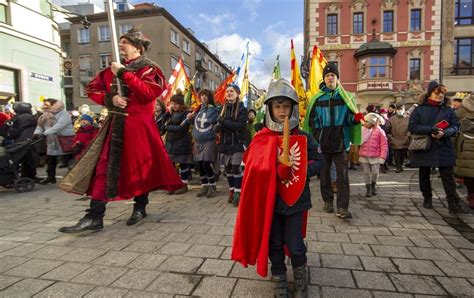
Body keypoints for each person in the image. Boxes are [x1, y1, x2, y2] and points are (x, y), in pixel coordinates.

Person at [58, 27, 183, 233]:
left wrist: (124, 74)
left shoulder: (150, 69)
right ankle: (94, 216)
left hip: (139, 128)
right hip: (114, 126)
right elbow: (93, 88)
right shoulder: (112, 70)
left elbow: (148, 93)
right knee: (103, 168)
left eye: (125, 42)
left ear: (138, 48)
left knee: (140, 170)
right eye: (121, 41)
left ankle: (140, 207)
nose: (121, 45)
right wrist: (111, 99)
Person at [232, 79, 322, 298]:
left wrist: (299, 172)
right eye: (277, 106)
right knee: (274, 243)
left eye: (286, 106)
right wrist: (274, 169)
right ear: (270, 109)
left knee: (295, 244)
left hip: (295, 201)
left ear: (293, 108)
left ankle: (300, 277)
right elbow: (254, 168)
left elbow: (319, 161)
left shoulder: (304, 137)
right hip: (270, 202)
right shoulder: (261, 139)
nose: (282, 111)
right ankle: (279, 277)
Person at [304, 62, 364, 219]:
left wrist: (355, 119)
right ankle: (328, 201)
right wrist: (319, 135)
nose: (330, 78)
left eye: (333, 75)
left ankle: (343, 207)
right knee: (324, 174)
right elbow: (312, 120)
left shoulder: (346, 98)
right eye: (327, 75)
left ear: (337, 78)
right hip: (323, 144)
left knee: (342, 176)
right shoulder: (317, 99)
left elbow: (349, 118)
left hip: (340, 143)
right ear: (324, 79)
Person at [408, 81, 467, 214]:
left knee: (448, 177)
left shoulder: (448, 110)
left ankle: (453, 204)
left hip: (443, 146)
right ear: (430, 93)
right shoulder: (419, 109)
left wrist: (444, 133)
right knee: (424, 174)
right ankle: (427, 198)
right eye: (437, 92)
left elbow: (455, 126)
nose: (440, 95)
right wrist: (431, 129)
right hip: (425, 146)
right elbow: (412, 127)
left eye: (442, 93)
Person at [217, 84, 248, 206]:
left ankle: (238, 192)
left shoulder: (242, 109)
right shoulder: (222, 108)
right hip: (225, 142)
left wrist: (223, 122)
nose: (229, 93)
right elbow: (221, 123)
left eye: (232, 91)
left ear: (237, 93)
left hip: (237, 142)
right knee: (228, 168)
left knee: (235, 167)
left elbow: (239, 126)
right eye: (227, 91)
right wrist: (218, 127)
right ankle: (231, 190)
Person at [33, 98, 75, 184]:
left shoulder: (63, 113)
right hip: (52, 140)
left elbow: (60, 125)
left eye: (47, 105)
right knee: (50, 160)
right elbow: (40, 125)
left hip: (64, 139)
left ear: (53, 105)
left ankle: (73, 178)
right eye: (44, 104)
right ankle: (51, 177)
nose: (44, 106)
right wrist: (36, 133)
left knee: (69, 159)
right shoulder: (45, 115)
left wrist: (45, 133)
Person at [186, 89, 219, 198]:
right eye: (202, 95)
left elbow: (209, 120)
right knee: (199, 165)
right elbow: (196, 123)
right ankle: (205, 186)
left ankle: (212, 186)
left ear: (210, 97)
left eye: (206, 95)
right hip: (198, 140)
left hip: (208, 140)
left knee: (206, 163)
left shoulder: (213, 110)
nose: (203, 97)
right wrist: (190, 118)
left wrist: (199, 113)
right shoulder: (199, 109)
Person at [1, 102, 40, 180]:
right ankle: (30, 176)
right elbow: (38, 120)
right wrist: (39, 112)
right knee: (31, 159)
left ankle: (25, 176)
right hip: (27, 141)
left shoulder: (16, 117)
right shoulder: (27, 117)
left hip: (19, 141)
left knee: (24, 159)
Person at [162, 94, 192, 195]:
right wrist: (167, 114)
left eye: (176, 104)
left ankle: (184, 185)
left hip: (182, 142)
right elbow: (162, 123)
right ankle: (174, 184)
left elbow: (181, 128)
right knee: (171, 165)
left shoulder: (186, 113)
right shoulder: (171, 113)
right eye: (172, 104)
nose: (174, 106)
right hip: (171, 142)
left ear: (181, 104)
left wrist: (167, 127)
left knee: (183, 164)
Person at [359, 113, 388, 197]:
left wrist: (382, 156)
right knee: (366, 172)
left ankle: (373, 185)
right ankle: (368, 189)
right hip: (364, 155)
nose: (365, 123)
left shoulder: (380, 131)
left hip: (376, 155)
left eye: (367, 122)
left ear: (372, 122)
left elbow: (384, 144)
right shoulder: (363, 129)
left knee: (375, 172)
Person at [454, 93, 474, 208]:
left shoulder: (462, 110)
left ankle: (471, 195)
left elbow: (455, 127)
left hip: (464, 144)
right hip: (465, 144)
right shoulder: (461, 111)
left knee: (468, 172)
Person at [386, 104, 410, 173]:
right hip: (395, 140)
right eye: (398, 109)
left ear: (404, 110)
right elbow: (388, 130)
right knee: (396, 155)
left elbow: (411, 129)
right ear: (396, 110)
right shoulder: (391, 119)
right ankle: (398, 167)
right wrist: (391, 138)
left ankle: (400, 166)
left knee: (402, 154)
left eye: (401, 109)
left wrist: (407, 136)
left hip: (405, 139)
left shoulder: (408, 118)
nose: (400, 111)